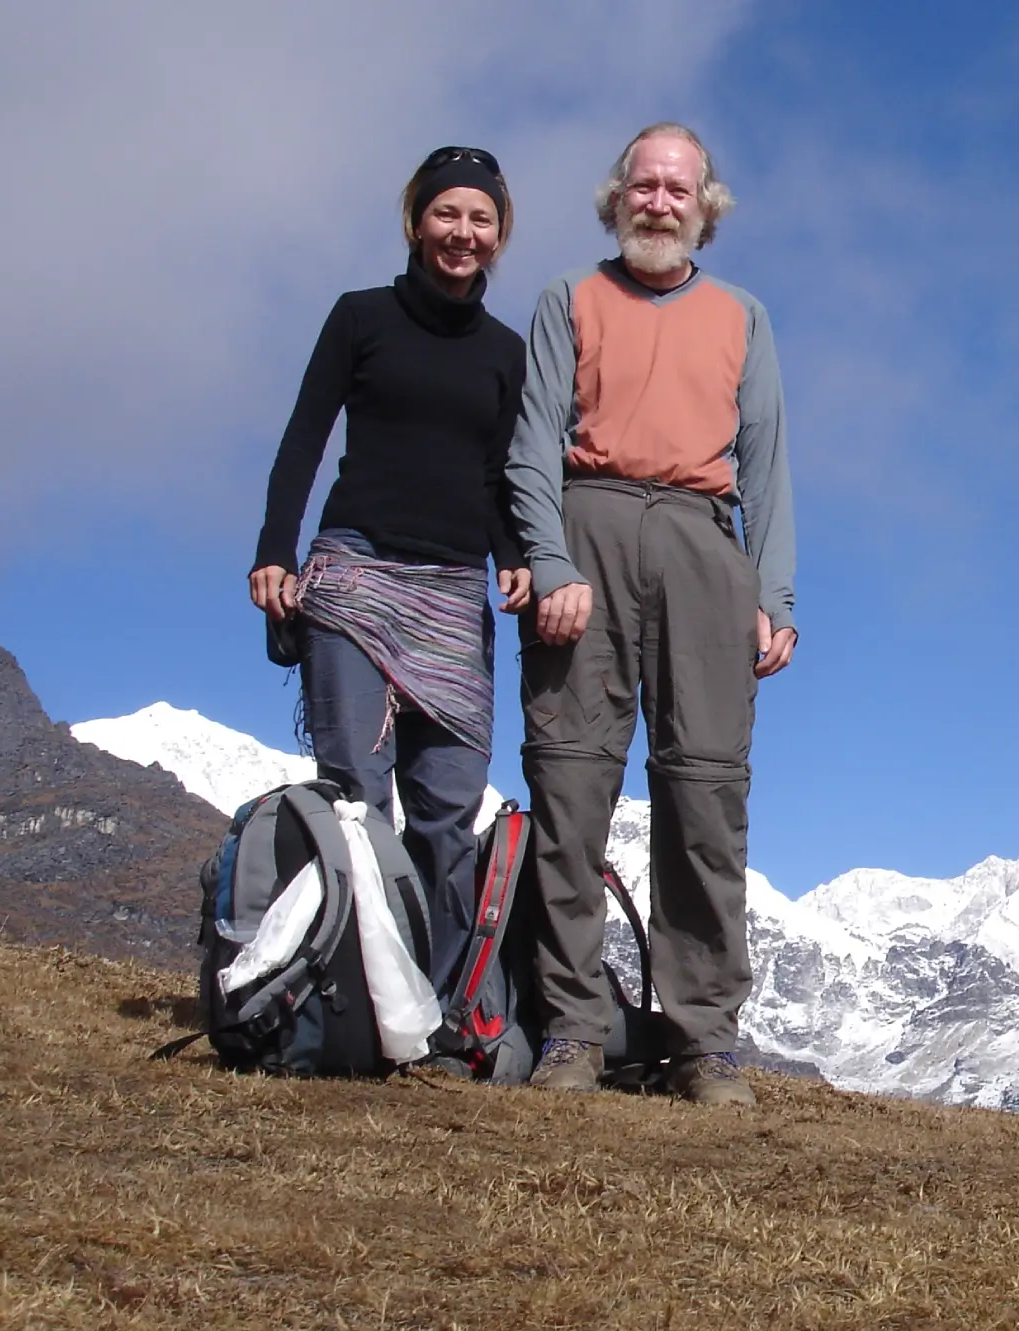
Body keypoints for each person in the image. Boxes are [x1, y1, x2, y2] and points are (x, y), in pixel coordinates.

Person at [505, 122, 797, 1105]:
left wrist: (773, 591)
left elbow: (764, 465)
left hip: (701, 545)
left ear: (704, 206)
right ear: (617, 196)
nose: (658, 201)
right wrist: (546, 562)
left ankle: (702, 1040)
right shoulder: (569, 299)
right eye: (644, 184)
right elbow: (532, 444)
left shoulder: (742, 316)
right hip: (583, 538)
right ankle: (573, 1031)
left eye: (678, 189)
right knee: (569, 784)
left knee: (705, 792)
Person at [251, 146, 531, 1013]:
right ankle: (354, 1005)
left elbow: (494, 476)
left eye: (480, 219)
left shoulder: (505, 352)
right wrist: (273, 549)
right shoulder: (360, 318)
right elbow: (305, 434)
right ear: (416, 223)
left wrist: (516, 553)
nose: (462, 232)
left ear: (498, 236)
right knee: (357, 803)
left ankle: (445, 1016)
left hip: (453, 593)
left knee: (448, 809)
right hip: (355, 575)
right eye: (448, 214)